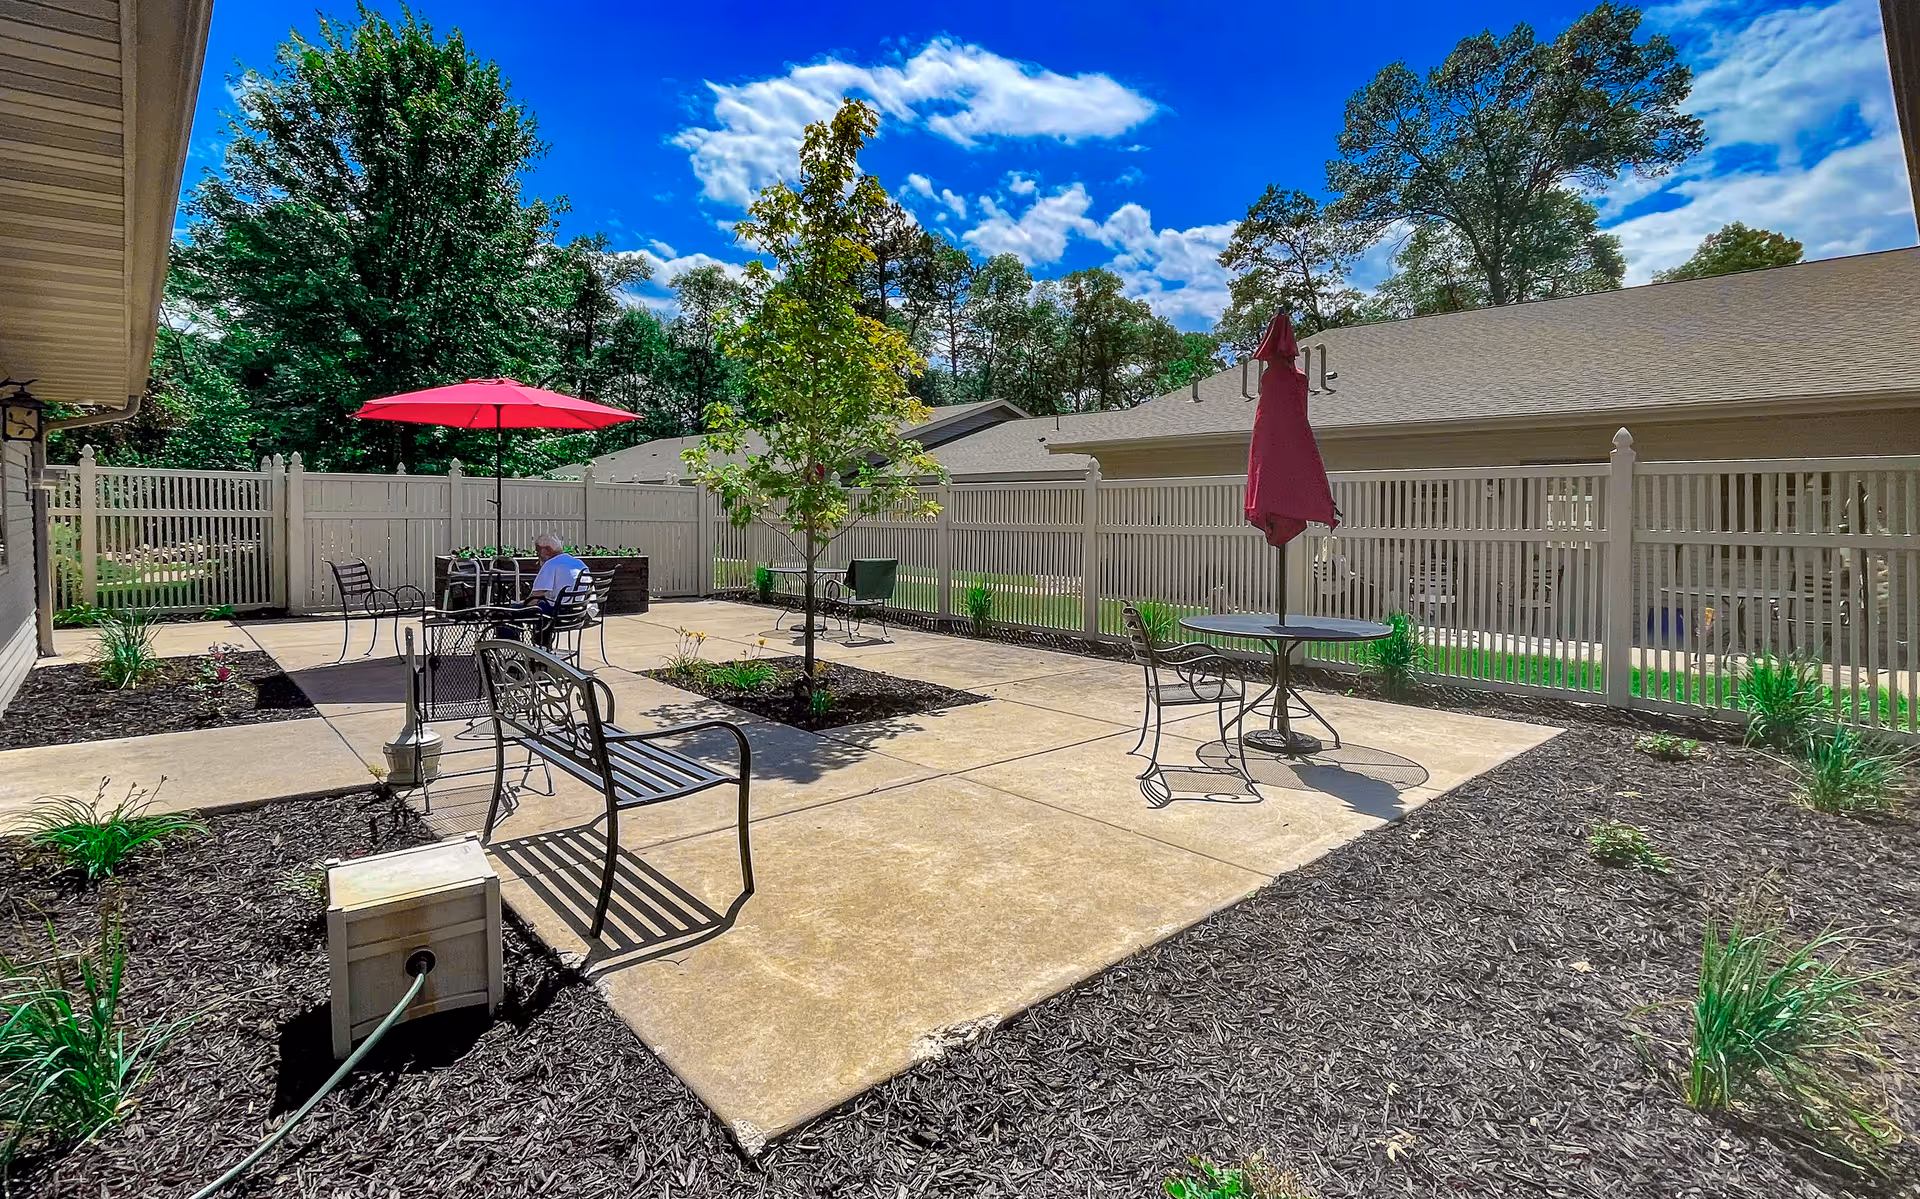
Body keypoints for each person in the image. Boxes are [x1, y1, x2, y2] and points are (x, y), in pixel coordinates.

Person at [497, 534, 589, 646]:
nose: (537, 555)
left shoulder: (551, 564)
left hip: (559, 613)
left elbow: (533, 600)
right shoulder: (579, 563)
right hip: (581, 612)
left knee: (503, 612)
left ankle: (512, 647)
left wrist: (516, 606)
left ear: (548, 550)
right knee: (537, 609)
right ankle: (542, 649)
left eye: (538, 551)